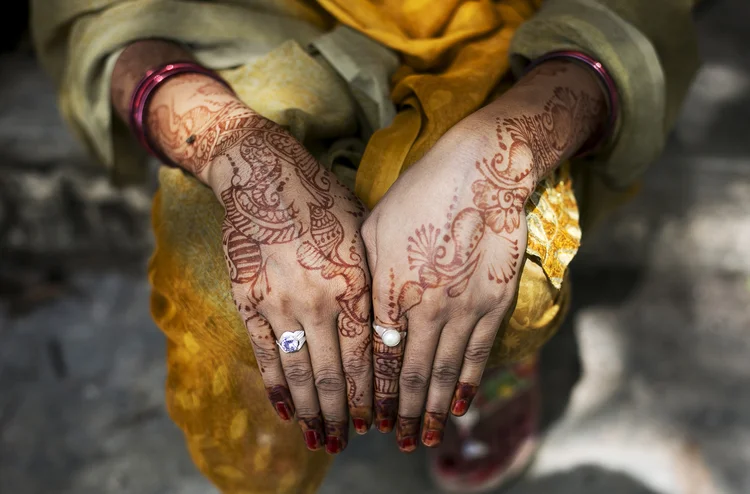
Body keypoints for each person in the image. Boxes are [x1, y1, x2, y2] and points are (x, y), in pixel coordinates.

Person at [31, 0, 699, 492]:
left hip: (518, 28)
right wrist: (239, 151)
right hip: (255, 20)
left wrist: (509, 145)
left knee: (501, 277)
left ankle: (478, 358)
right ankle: (311, 399)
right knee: (227, 284)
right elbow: (101, 16)